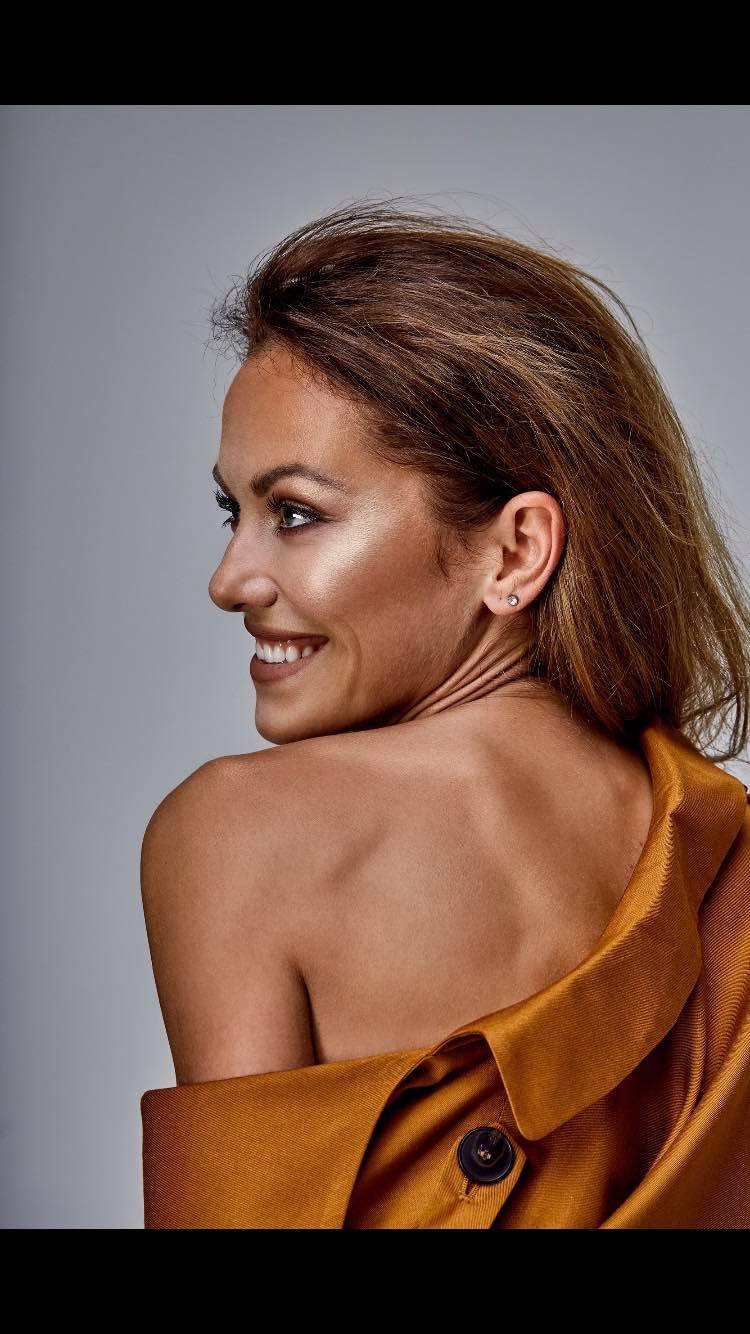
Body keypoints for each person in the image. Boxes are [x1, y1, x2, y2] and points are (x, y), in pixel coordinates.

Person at [139, 199, 750, 1229]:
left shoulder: (242, 833)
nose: (230, 578)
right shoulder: (724, 852)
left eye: (296, 513)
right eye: (232, 512)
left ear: (516, 550)